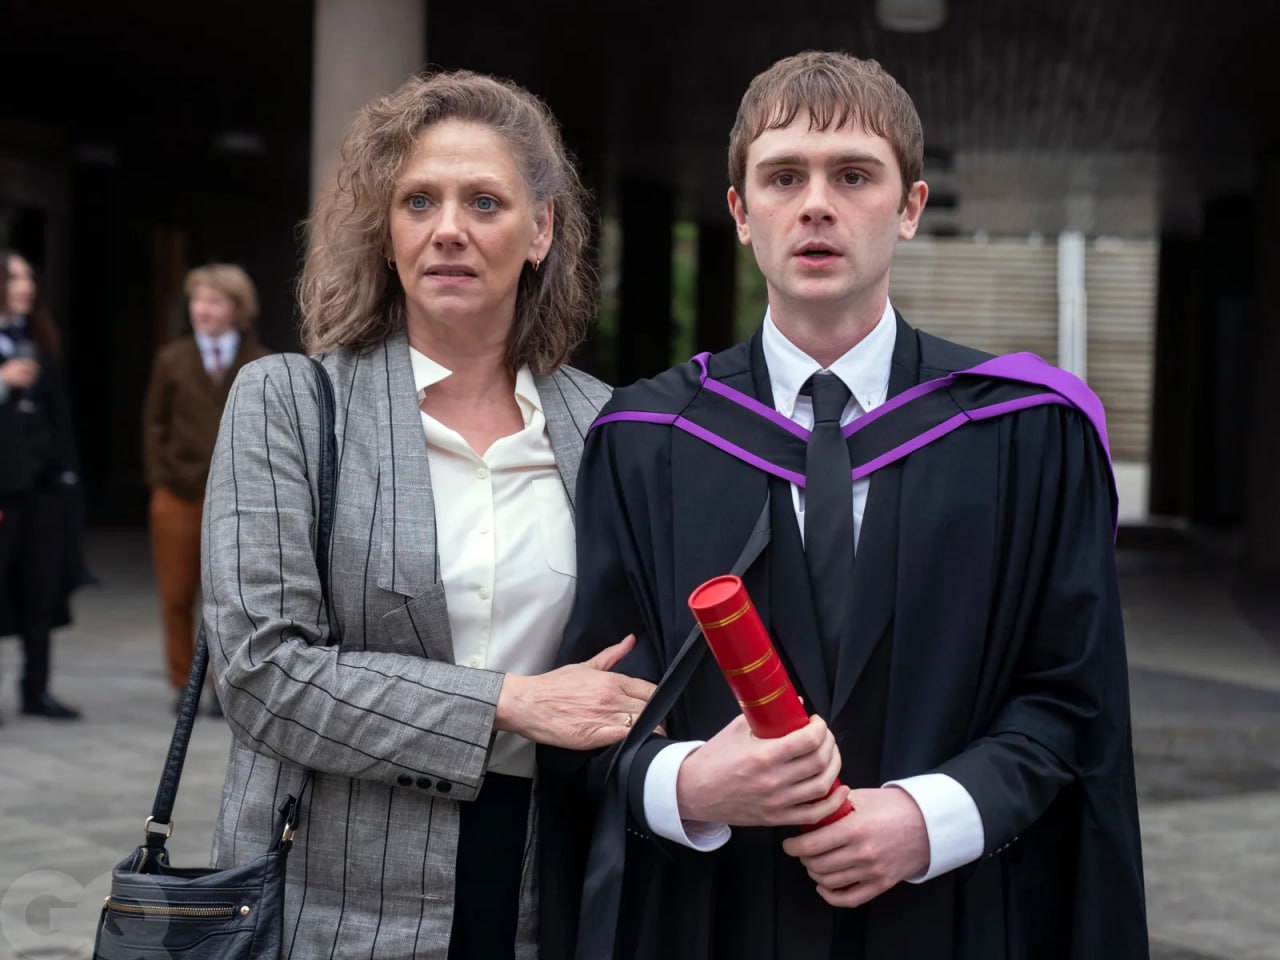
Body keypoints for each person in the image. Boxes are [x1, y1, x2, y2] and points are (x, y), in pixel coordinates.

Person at [545, 51, 1148, 959]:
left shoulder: (1025, 433)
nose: (817, 205)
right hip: (717, 915)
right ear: (741, 212)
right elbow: (596, 703)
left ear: (910, 207)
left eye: (854, 176)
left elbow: (1071, 697)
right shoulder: (649, 439)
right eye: (784, 177)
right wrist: (689, 785)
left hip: (951, 917)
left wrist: (927, 818)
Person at [202, 70, 649, 959]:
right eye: (418, 201)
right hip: (326, 896)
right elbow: (259, 675)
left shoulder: (605, 425)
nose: (449, 228)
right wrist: (509, 703)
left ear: (541, 230)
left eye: (484, 201)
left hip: (541, 889)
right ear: (387, 231)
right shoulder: (289, 402)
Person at [142, 263, 270, 712]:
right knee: (177, 593)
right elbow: (154, 425)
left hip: (239, 499)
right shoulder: (171, 359)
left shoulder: (260, 362)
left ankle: (225, 683)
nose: (203, 309)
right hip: (178, 494)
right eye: (197, 300)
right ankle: (184, 683)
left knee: (232, 596)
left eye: (214, 301)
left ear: (237, 309)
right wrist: (162, 478)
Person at [0, 249, 83, 722]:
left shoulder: (37, 339)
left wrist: (67, 476)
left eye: (29, 278)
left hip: (42, 489)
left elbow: (59, 415)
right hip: (3, 491)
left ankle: (36, 689)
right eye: (14, 278)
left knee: (41, 587)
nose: (26, 287)